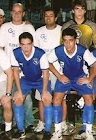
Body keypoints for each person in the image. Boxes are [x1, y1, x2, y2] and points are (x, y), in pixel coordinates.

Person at [48, 28, 96, 140]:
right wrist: (59, 76)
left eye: (70, 40)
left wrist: (89, 78)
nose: (68, 43)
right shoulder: (58, 50)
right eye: (65, 41)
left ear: (75, 40)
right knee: (56, 99)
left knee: (89, 99)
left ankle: (88, 132)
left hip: (79, 77)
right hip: (65, 77)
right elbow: (47, 62)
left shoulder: (82, 51)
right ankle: (57, 131)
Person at [0, 3, 36, 131]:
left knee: (27, 98)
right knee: (13, 96)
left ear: (23, 13)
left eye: (19, 11)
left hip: (25, 70)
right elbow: (0, 48)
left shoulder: (29, 27)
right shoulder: (4, 27)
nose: (17, 14)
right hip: (9, 69)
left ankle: (29, 122)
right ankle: (15, 122)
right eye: (14, 11)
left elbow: (33, 48)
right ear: (11, 13)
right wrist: (2, 67)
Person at [11, 32, 52, 139]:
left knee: (46, 99)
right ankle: (21, 130)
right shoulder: (15, 53)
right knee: (18, 99)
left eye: (28, 44)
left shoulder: (40, 54)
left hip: (41, 79)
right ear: (19, 45)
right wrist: (19, 90)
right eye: (23, 44)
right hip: (26, 79)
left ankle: (47, 131)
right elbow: (15, 72)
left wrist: (44, 91)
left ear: (32, 43)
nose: (26, 47)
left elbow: (46, 72)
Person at [34, 6, 62, 134]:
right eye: (46, 15)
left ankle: (60, 123)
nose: (48, 18)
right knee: (41, 97)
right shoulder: (38, 31)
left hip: (58, 70)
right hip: (42, 71)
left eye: (51, 15)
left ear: (55, 17)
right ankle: (42, 122)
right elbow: (36, 52)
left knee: (59, 98)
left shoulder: (62, 31)